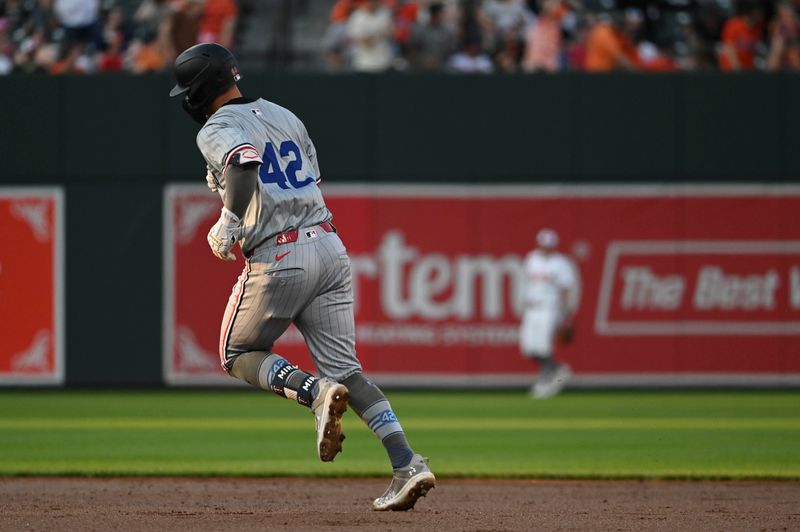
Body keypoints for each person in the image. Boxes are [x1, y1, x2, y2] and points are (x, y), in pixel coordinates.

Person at [168, 42, 434, 511]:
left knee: (237, 353)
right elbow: (304, 175)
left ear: (197, 91)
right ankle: (408, 464)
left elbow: (245, 160)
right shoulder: (284, 114)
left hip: (279, 253)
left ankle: (315, 394)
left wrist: (230, 217)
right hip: (329, 245)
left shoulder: (216, 126)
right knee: (349, 372)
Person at [520, 228, 577, 399]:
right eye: (543, 244)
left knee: (543, 346)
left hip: (549, 308)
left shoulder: (560, 263)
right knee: (529, 348)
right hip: (532, 307)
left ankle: (546, 381)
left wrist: (566, 314)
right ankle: (559, 371)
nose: (545, 247)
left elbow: (566, 288)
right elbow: (526, 282)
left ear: (554, 246)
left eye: (549, 245)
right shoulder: (531, 259)